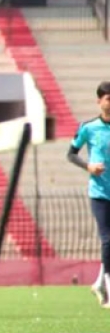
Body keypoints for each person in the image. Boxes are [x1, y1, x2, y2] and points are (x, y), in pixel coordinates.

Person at [67, 80, 110, 308]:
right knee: (107, 239)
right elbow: (71, 153)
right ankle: (108, 288)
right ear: (99, 101)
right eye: (109, 99)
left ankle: (99, 283)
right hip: (100, 193)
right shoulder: (89, 127)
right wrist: (89, 167)